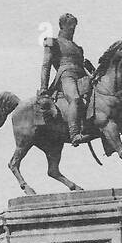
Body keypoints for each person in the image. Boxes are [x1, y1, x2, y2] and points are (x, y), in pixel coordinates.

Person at [39, 12, 96, 145]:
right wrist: (43, 87)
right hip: (66, 75)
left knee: (101, 99)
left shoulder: (78, 48)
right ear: (61, 26)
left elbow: (83, 66)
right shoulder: (52, 41)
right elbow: (46, 65)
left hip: (82, 76)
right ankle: (74, 134)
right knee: (75, 99)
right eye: (70, 26)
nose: (72, 29)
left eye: (74, 27)